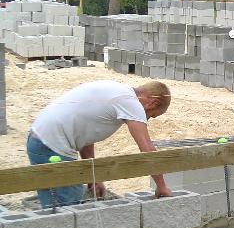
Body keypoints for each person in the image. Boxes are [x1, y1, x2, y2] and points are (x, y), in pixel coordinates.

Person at [27, 80, 173, 208]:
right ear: (152, 103)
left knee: (56, 209)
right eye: (152, 115)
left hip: (40, 141)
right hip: (51, 146)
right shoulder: (130, 102)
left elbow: (86, 136)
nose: (147, 119)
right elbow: (147, 149)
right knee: (66, 212)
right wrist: (161, 186)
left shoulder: (115, 90)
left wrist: (93, 178)